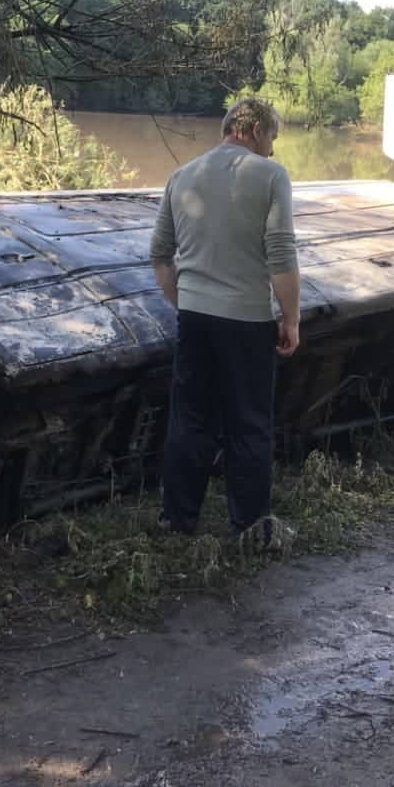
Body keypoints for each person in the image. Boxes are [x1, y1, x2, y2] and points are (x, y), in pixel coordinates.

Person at [149, 96, 300, 543]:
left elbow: (160, 253)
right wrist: (291, 318)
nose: (272, 149)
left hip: (195, 319)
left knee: (190, 418)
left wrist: (183, 301)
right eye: (271, 137)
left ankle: (177, 520)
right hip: (248, 321)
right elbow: (281, 254)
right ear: (252, 130)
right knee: (248, 422)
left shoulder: (182, 176)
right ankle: (250, 527)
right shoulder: (271, 175)